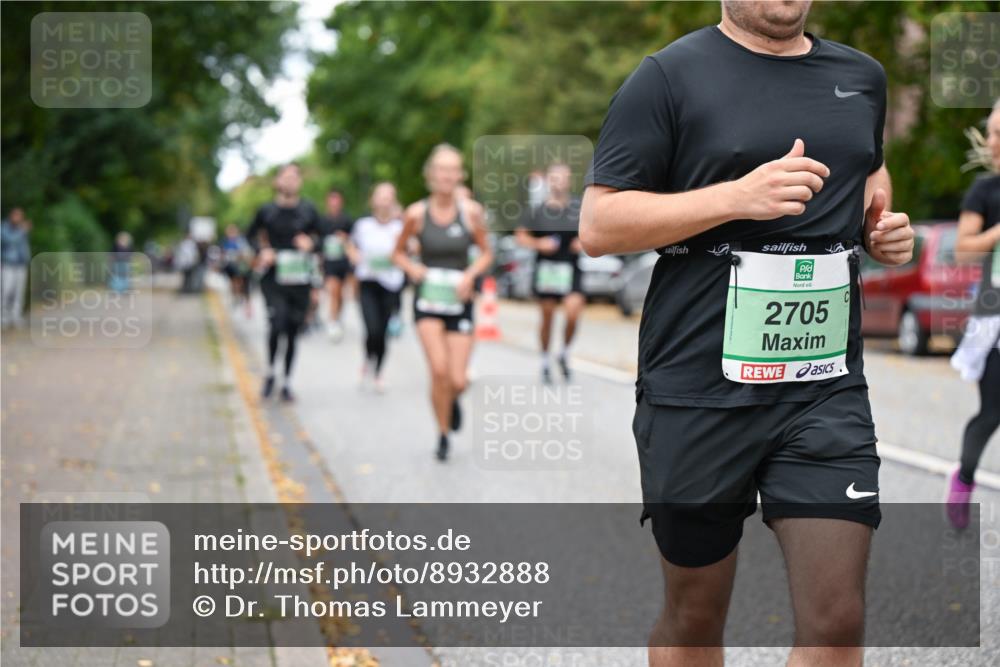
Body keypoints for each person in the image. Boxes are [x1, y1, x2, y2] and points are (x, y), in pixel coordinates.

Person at [580, 2, 915, 665]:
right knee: (695, 615)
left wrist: (881, 230)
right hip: (698, 389)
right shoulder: (667, 78)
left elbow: (869, 172)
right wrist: (736, 197)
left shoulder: (862, 76)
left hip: (824, 389)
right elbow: (600, 223)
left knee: (837, 621)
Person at [393, 144, 493, 461]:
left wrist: (470, 275)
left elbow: (487, 253)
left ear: (460, 175)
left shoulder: (471, 213)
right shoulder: (416, 214)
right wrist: (415, 269)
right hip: (428, 302)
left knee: (458, 379)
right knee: (438, 370)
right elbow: (397, 254)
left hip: (459, 300)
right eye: (441, 169)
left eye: (453, 169)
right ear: (430, 175)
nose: (447, 175)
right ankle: (443, 434)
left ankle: (451, 400)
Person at [947, 98, 1000, 530]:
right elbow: (964, 249)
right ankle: (963, 481)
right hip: (994, 317)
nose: (995, 139)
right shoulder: (985, 191)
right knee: (992, 412)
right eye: (994, 131)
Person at [246, 163, 321, 402]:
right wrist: (262, 250)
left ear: (299, 182)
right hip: (274, 278)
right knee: (277, 323)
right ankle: (270, 372)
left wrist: (312, 245)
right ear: (277, 182)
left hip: (300, 279)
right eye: (285, 177)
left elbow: (325, 238)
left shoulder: (308, 210)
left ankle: (287, 381)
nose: (289, 181)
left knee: (292, 330)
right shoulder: (266, 210)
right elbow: (250, 235)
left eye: (294, 177)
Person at [516, 163, 586, 383]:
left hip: (570, 267)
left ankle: (564, 353)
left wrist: (583, 241)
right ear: (548, 181)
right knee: (548, 318)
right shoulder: (538, 210)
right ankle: (545, 359)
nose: (558, 182)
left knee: (573, 313)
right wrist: (539, 244)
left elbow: (593, 230)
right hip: (546, 269)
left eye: (562, 178)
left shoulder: (579, 206)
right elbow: (521, 236)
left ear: (569, 180)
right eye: (554, 178)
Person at [348, 182, 404, 392]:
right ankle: (368, 359)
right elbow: (352, 246)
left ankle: (379, 371)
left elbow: (412, 248)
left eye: (389, 196)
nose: (385, 200)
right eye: (381, 196)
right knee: (372, 329)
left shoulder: (400, 227)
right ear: (373, 200)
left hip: (391, 284)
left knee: (383, 331)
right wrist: (354, 256)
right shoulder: (363, 225)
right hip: (368, 283)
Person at [320, 188, 355, 342]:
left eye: (337, 200)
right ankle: (332, 321)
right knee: (333, 291)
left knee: (341, 294)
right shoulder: (322, 221)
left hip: (343, 262)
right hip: (329, 262)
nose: (334, 203)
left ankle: (337, 318)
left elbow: (354, 241)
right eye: (331, 200)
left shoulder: (347, 219)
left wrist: (345, 239)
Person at [1, 207, 31, 329]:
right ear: (11, 216)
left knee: (19, 292)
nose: (18, 218)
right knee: (6, 291)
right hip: (8, 264)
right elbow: (10, 240)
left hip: (21, 264)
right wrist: (23, 231)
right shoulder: (4, 228)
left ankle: (16, 316)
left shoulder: (21, 229)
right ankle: (3, 316)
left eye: (20, 216)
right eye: (16, 216)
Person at [220, 224, 253, 316]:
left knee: (246, 286)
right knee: (233, 282)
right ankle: (236, 297)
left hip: (242, 267)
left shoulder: (241, 241)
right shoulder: (225, 242)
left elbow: (246, 253)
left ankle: (248, 306)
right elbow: (222, 254)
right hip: (230, 266)